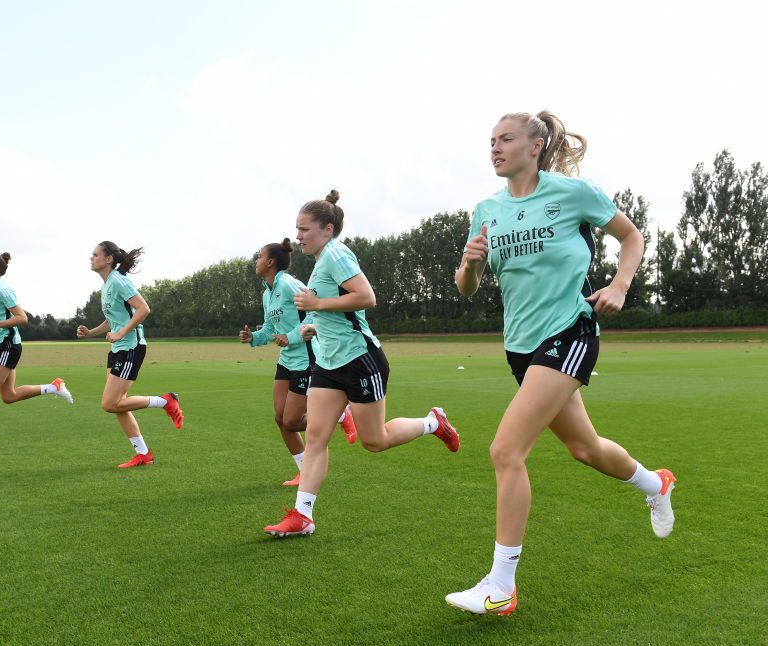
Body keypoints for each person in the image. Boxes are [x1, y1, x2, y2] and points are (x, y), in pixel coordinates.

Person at [446, 110, 677, 616]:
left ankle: (501, 586)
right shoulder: (486, 208)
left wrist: (619, 285)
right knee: (586, 448)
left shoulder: (572, 193)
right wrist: (470, 263)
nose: (495, 148)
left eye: (505, 139)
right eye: (490, 141)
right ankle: (655, 484)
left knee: (506, 450)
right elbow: (468, 289)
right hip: (520, 348)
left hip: (569, 333)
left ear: (535, 145)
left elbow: (632, 237)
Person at [263, 191, 460, 538]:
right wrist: (313, 325)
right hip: (327, 363)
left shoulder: (337, 254)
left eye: (304, 229)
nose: (298, 236)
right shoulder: (322, 259)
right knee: (315, 435)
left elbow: (367, 297)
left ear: (327, 228)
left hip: (360, 360)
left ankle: (433, 423)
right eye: (297, 229)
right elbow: (336, 310)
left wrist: (318, 304)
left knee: (375, 441)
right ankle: (302, 515)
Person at [239, 238, 358, 487]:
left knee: (292, 421)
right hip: (286, 361)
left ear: (270, 262)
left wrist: (291, 336)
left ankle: (339, 415)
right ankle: (303, 471)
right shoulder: (267, 293)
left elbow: (315, 312)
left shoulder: (289, 284)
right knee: (280, 419)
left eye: (260, 256)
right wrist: (254, 338)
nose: (257, 261)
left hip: (306, 358)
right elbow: (271, 329)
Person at [76, 241, 183, 468]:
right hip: (118, 348)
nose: (91, 258)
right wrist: (91, 333)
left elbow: (144, 308)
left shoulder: (118, 281)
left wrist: (122, 332)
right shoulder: (106, 285)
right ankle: (143, 454)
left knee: (109, 404)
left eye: (95, 255)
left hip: (131, 347)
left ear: (108, 260)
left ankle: (165, 401)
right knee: (117, 404)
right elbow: (113, 319)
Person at [0, 252, 74, 453]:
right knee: (9, 396)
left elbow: (22, 318)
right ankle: (53, 387)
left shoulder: (3, 289)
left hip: (7, 345)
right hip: (1, 344)